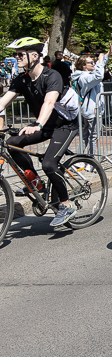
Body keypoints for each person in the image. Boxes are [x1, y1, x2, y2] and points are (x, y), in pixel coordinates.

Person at [0, 38, 81, 226]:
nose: (16, 57)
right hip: (46, 126)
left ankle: (66, 205)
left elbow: (49, 102)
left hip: (65, 126)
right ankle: (36, 184)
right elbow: (3, 102)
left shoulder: (52, 76)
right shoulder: (22, 79)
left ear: (35, 56)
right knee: (12, 143)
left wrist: (37, 124)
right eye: (16, 54)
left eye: (21, 54)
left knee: (49, 164)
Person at [71, 52, 108, 156]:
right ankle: (91, 161)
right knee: (94, 136)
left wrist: (105, 57)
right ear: (84, 66)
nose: (93, 64)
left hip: (90, 110)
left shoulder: (86, 75)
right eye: (91, 62)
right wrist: (100, 62)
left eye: (94, 61)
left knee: (86, 135)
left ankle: (78, 158)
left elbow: (99, 68)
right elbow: (99, 76)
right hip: (92, 111)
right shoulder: (85, 77)